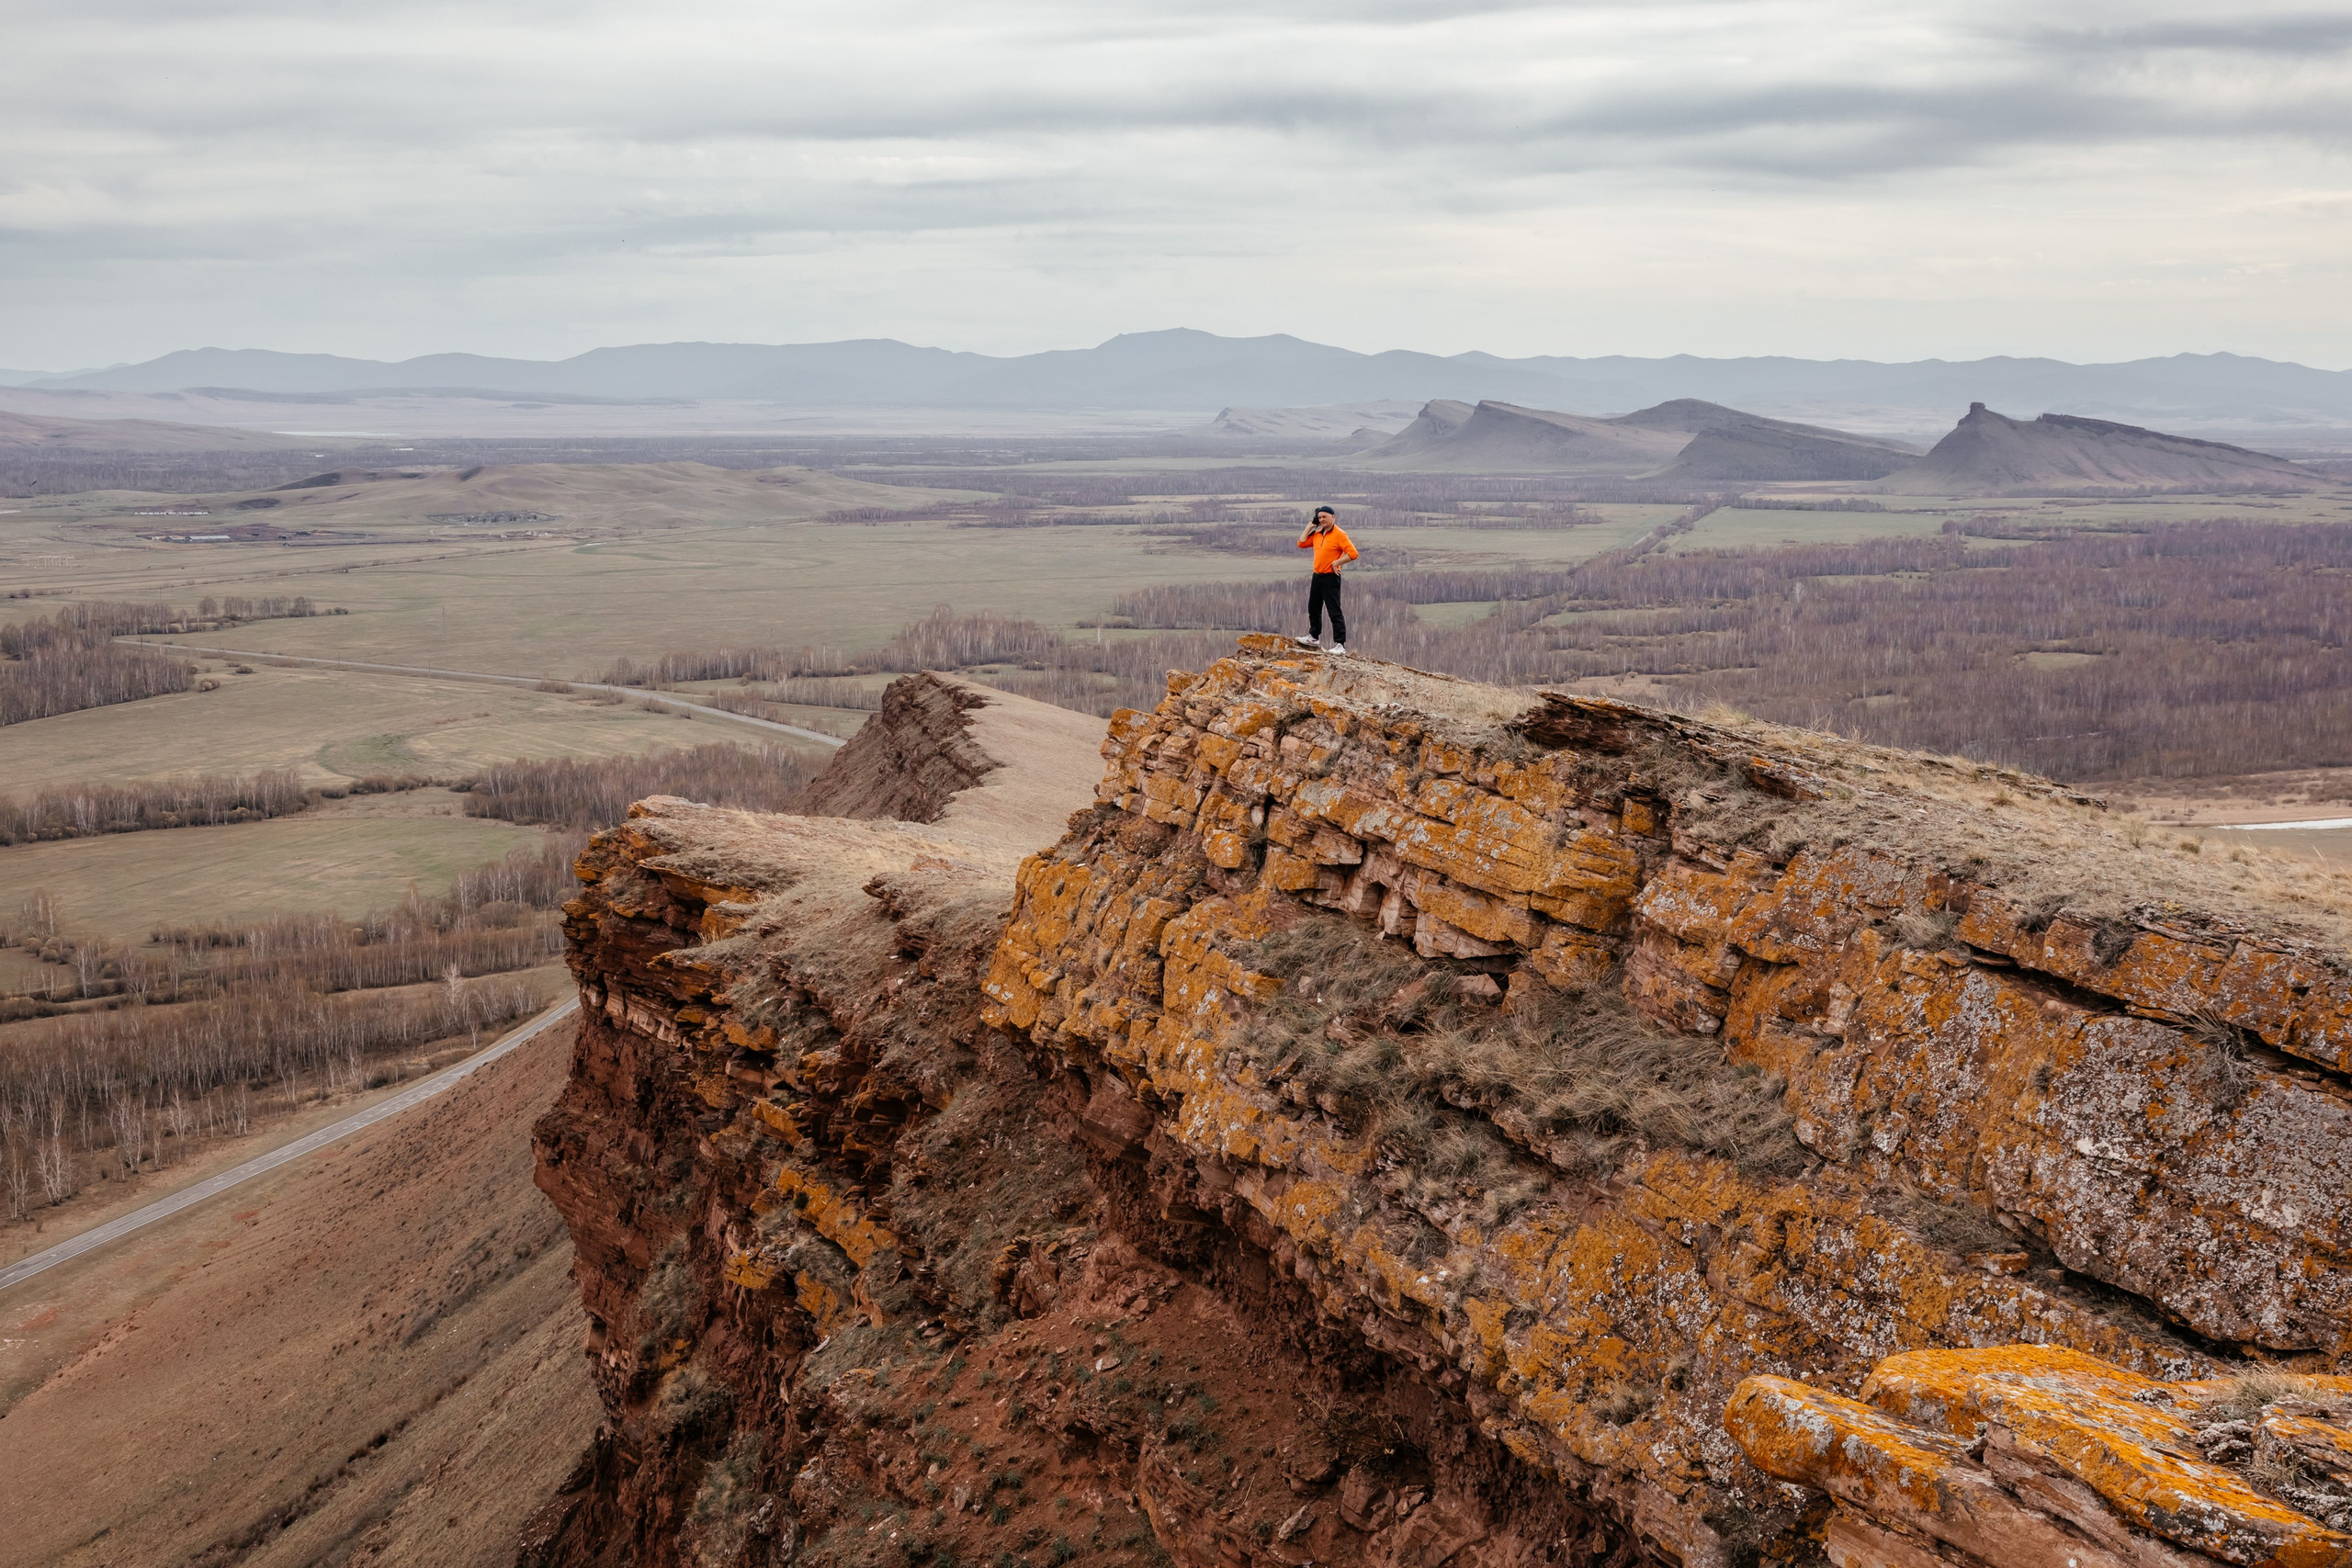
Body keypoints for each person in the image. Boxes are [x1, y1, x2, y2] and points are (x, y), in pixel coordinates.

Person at [1295, 505, 1358, 654]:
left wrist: (1336, 563)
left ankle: (1340, 645)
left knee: (1334, 611)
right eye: (1320, 517)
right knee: (1313, 608)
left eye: (1325, 517)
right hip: (1317, 576)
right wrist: (1310, 525)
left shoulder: (1340, 534)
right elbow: (1301, 543)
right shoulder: (1317, 533)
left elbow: (1353, 554)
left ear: (1333, 517)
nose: (1322, 520)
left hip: (1331, 578)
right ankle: (1314, 637)